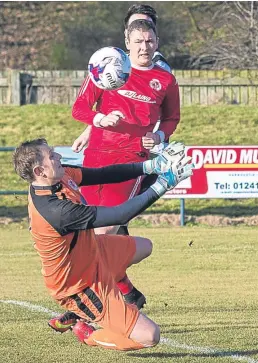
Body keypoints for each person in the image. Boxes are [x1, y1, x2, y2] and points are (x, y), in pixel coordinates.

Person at [12, 138, 193, 350]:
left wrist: (150, 166)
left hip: (92, 251)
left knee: (145, 247)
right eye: (51, 156)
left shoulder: (58, 177)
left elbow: (102, 174)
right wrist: (164, 184)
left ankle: (91, 308)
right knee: (150, 336)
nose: (58, 156)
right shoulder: (55, 210)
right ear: (39, 171)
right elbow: (120, 214)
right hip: (78, 284)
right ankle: (88, 333)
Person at [71, 19, 180, 236]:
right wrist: (100, 119)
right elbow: (79, 108)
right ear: (127, 42)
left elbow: (172, 118)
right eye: (138, 41)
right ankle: (113, 269)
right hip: (96, 156)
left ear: (157, 42)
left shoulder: (166, 80)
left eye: (149, 41)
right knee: (88, 224)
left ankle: (105, 267)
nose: (144, 47)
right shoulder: (106, 67)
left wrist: (158, 136)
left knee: (110, 224)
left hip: (132, 158)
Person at [71, 4, 173, 154]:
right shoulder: (111, 62)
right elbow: (106, 106)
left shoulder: (159, 67)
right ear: (127, 33)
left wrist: (157, 137)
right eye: (135, 25)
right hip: (111, 145)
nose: (141, 28)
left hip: (147, 144)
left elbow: (150, 110)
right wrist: (91, 129)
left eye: (146, 25)